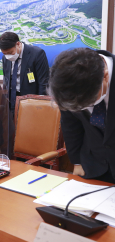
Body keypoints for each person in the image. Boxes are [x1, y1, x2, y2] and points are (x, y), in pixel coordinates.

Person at [48, 47, 115, 183]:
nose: (83, 109)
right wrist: (77, 162)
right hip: (92, 166)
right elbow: (70, 125)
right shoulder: (66, 82)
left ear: (105, 76)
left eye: (88, 103)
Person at [0, 32, 49, 114]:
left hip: (30, 100)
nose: (8, 56)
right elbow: (6, 78)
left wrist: (40, 104)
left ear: (18, 44)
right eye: (4, 53)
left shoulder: (37, 54)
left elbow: (43, 82)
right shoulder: (5, 57)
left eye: (10, 53)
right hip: (11, 99)